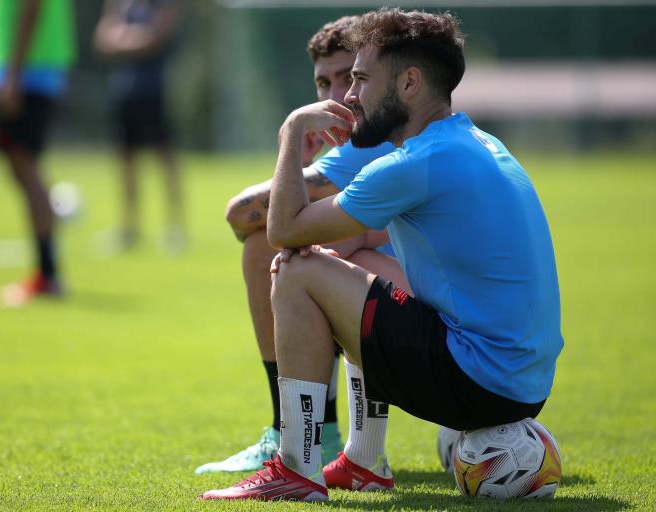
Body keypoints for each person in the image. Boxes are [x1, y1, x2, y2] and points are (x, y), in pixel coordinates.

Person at [201, 7, 564, 502]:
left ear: (410, 82)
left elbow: (283, 230)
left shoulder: (414, 162)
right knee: (356, 270)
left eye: (361, 79)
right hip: (522, 383)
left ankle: (295, 467)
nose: (349, 97)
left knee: (299, 269)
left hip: (479, 382)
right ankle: (363, 460)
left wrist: (290, 132)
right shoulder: (475, 142)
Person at [195, 16, 410, 475]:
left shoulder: (366, 142)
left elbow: (239, 213)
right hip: (415, 313)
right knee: (297, 247)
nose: (335, 96)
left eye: (349, 77)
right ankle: (337, 441)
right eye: (322, 82)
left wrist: (292, 147)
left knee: (275, 250)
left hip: (423, 325)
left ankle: (305, 437)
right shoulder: (380, 136)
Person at [0, 0, 76, 306]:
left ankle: (47, 275)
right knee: (23, 169)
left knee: (25, 167)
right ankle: (47, 269)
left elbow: (31, 7)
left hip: (28, 71)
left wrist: (13, 74)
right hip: (29, 70)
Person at [94, 0, 186, 252]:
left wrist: (121, 37)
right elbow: (102, 39)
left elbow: (155, 38)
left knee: (164, 158)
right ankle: (129, 228)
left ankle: (175, 226)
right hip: (122, 92)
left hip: (153, 91)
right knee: (125, 161)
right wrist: (133, 38)